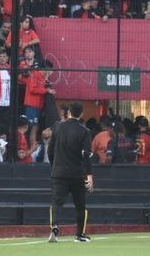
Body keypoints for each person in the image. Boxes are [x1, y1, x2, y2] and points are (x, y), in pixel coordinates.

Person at [48, 103, 93, 242]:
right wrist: (89, 175)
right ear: (81, 113)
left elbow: (50, 150)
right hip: (77, 173)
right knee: (80, 205)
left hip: (59, 172)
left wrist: (55, 165)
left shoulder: (57, 128)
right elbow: (86, 155)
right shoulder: (85, 131)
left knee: (56, 202)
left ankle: (54, 227)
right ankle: (80, 235)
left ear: (69, 112)